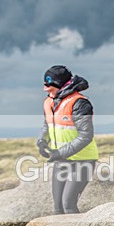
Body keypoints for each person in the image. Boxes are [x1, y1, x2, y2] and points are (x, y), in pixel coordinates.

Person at [37, 65, 99, 214]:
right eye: (44, 84)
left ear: (60, 85)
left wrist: (60, 152)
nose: (45, 89)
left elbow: (86, 136)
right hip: (62, 160)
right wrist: (41, 141)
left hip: (82, 160)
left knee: (68, 205)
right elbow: (47, 126)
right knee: (58, 207)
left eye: (49, 85)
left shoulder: (80, 103)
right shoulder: (48, 102)